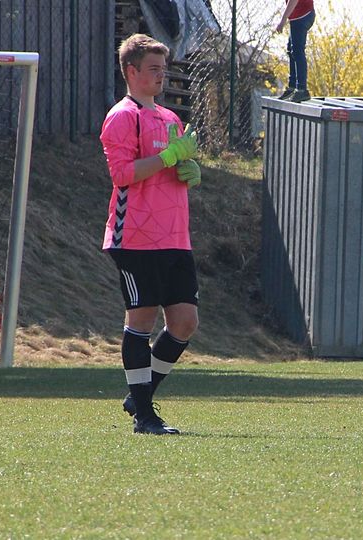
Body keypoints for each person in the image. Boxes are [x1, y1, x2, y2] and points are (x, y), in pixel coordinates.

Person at [100, 33, 203, 435]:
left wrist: (187, 171)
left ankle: (139, 395)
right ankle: (145, 416)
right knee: (141, 321)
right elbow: (123, 174)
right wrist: (168, 157)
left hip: (175, 236)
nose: (162, 76)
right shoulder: (122, 117)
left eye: (164, 69)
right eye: (153, 69)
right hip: (136, 237)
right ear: (131, 72)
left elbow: (170, 170)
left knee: (185, 322)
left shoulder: (170, 119)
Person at [275, 0, 315, 103]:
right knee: (292, 50)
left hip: (302, 15)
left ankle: (301, 89)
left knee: (297, 51)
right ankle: (292, 87)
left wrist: (283, 21)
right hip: (300, 16)